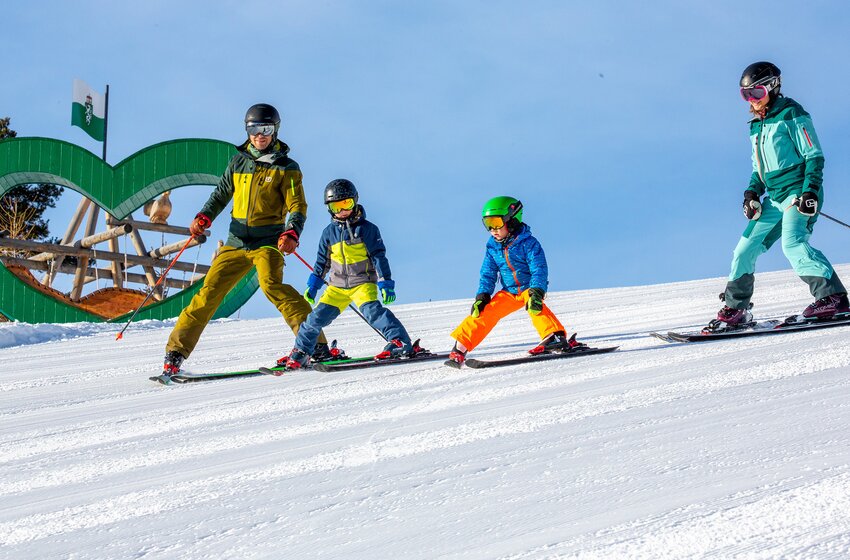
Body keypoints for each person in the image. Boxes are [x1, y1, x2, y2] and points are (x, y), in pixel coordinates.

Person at [161, 103, 340, 376]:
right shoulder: (238, 162)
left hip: (268, 242)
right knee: (208, 294)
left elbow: (297, 206)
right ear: (248, 130)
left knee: (272, 287)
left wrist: (292, 232)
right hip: (235, 243)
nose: (260, 135)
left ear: (275, 130)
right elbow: (220, 195)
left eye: (266, 129)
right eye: (254, 129)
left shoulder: (287, 167)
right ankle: (175, 354)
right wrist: (203, 217)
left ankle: (316, 345)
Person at [715, 62, 848, 328]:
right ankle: (736, 308)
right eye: (746, 95)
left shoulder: (792, 114)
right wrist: (752, 192)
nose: (752, 101)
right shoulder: (756, 125)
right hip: (774, 198)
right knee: (744, 249)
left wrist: (810, 191)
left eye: (757, 93)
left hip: (798, 192)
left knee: (793, 243)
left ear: (774, 87)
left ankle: (832, 297)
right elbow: (759, 168)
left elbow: (814, 156)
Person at [277, 179, 424, 370]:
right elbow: (323, 262)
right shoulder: (328, 233)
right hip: (336, 288)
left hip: (362, 283)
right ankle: (302, 351)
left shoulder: (367, 229)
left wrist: (385, 283)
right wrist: (313, 286)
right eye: (335, 206)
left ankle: (399, 342)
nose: (341, 211)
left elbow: (378, 257)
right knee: (313, 321)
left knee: (374, 313)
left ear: (355, 202)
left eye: (346, 204)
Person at [446, 196, 580, 366]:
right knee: (483, 312)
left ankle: (555, 336)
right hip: (509, 291)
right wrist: (483, 295)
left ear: (512, 220)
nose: (493, 229)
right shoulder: (492, 247)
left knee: (534, 306)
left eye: (496, 222)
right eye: (488, 224)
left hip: (528, 288)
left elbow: (539, 269)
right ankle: (460, 348)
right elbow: (488, 273)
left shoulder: (529, 243)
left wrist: (536, 291)